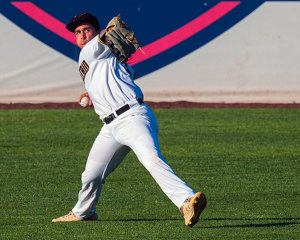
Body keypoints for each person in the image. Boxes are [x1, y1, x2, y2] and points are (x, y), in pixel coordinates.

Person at [52, 13, 207, 227]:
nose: (81, 35)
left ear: (95, 32)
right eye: (77, 32)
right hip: (110, 127)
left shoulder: (93, 48)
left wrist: (105, 33)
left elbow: (107, 35)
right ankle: (83, 211)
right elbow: (119, 78)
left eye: (86, 30)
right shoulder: (102, 58)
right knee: (91, 175)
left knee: (150, 158)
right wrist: (90, 96)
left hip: (132, 118)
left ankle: (186, 201)